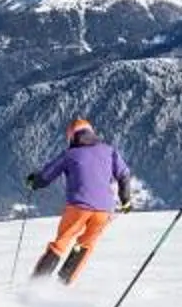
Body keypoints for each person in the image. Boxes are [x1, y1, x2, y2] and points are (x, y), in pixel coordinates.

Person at [25, 117, 136, 284]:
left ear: (72, 136)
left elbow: (46, 176)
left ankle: (36, 284)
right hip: (104, 211)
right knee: (85, 245)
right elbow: (124, 175)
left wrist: (34, 182)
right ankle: (63, 283)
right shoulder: (109, 151)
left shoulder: (70, 155)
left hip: (78, 208)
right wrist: (125, 200)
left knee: (61, 243)